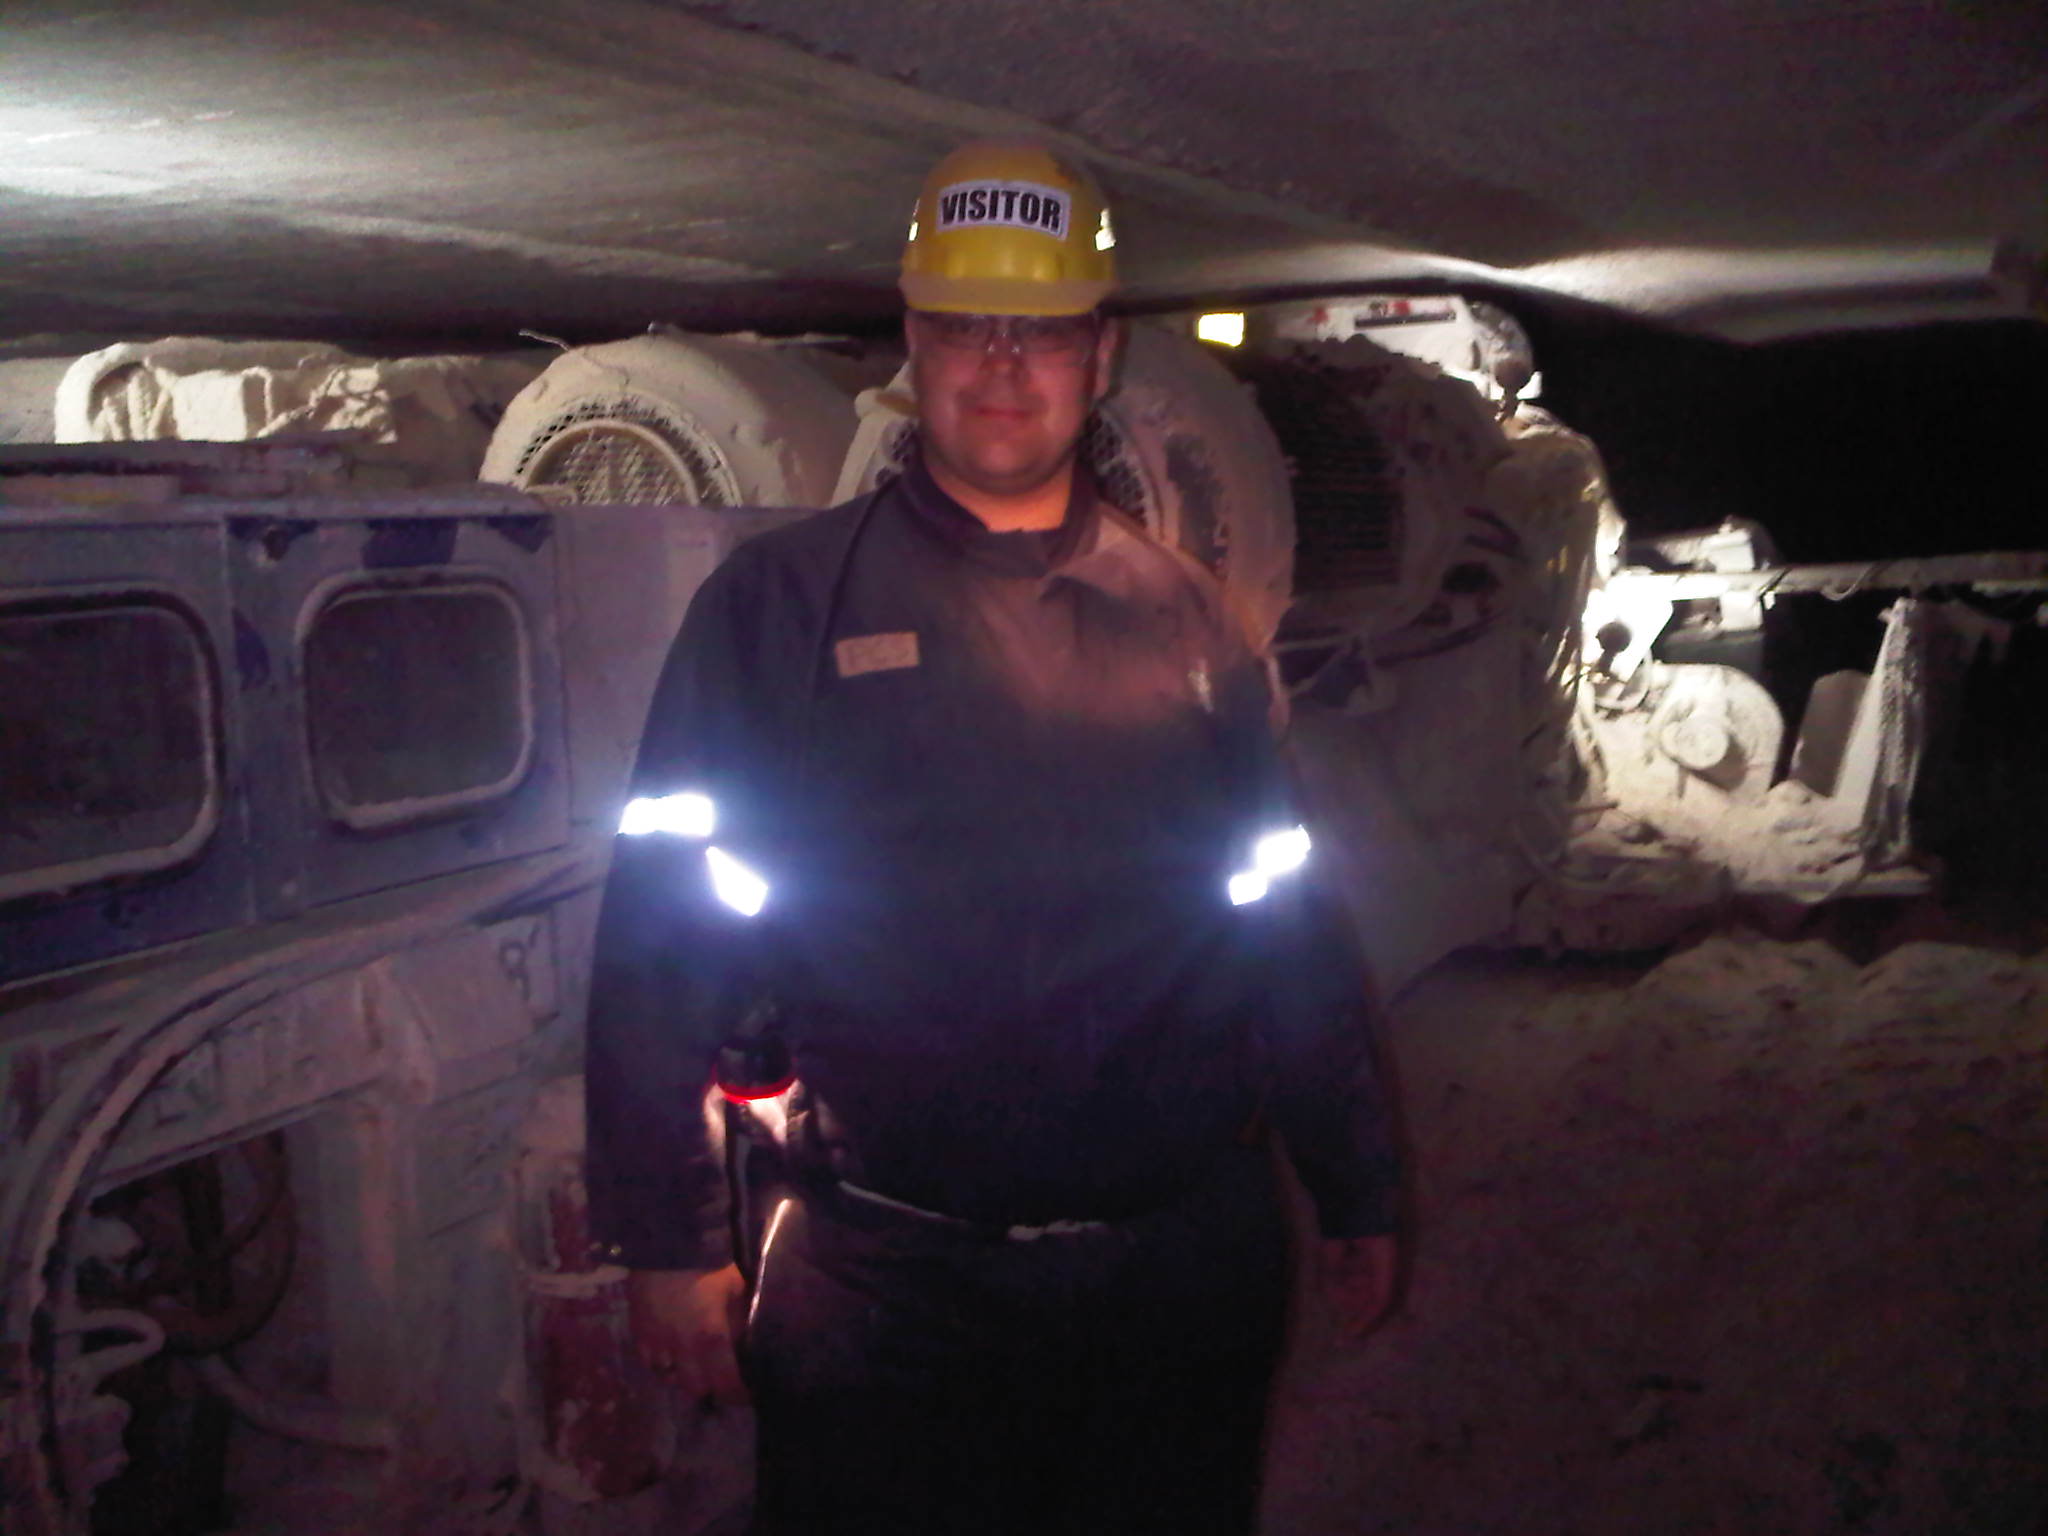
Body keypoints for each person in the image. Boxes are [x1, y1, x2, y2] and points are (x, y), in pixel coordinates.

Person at [583, 139, 1401, 1535]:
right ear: (914, 343)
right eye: (967, 326)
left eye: (1043, 331)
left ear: (1101, 355)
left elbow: (1279, 917)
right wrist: (666, 1236)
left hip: (1175, 1275)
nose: (1003, 365)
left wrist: (1356, 1178)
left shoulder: (1186, 618)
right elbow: (664, 925)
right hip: (887, 1282)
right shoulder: (780, 608)